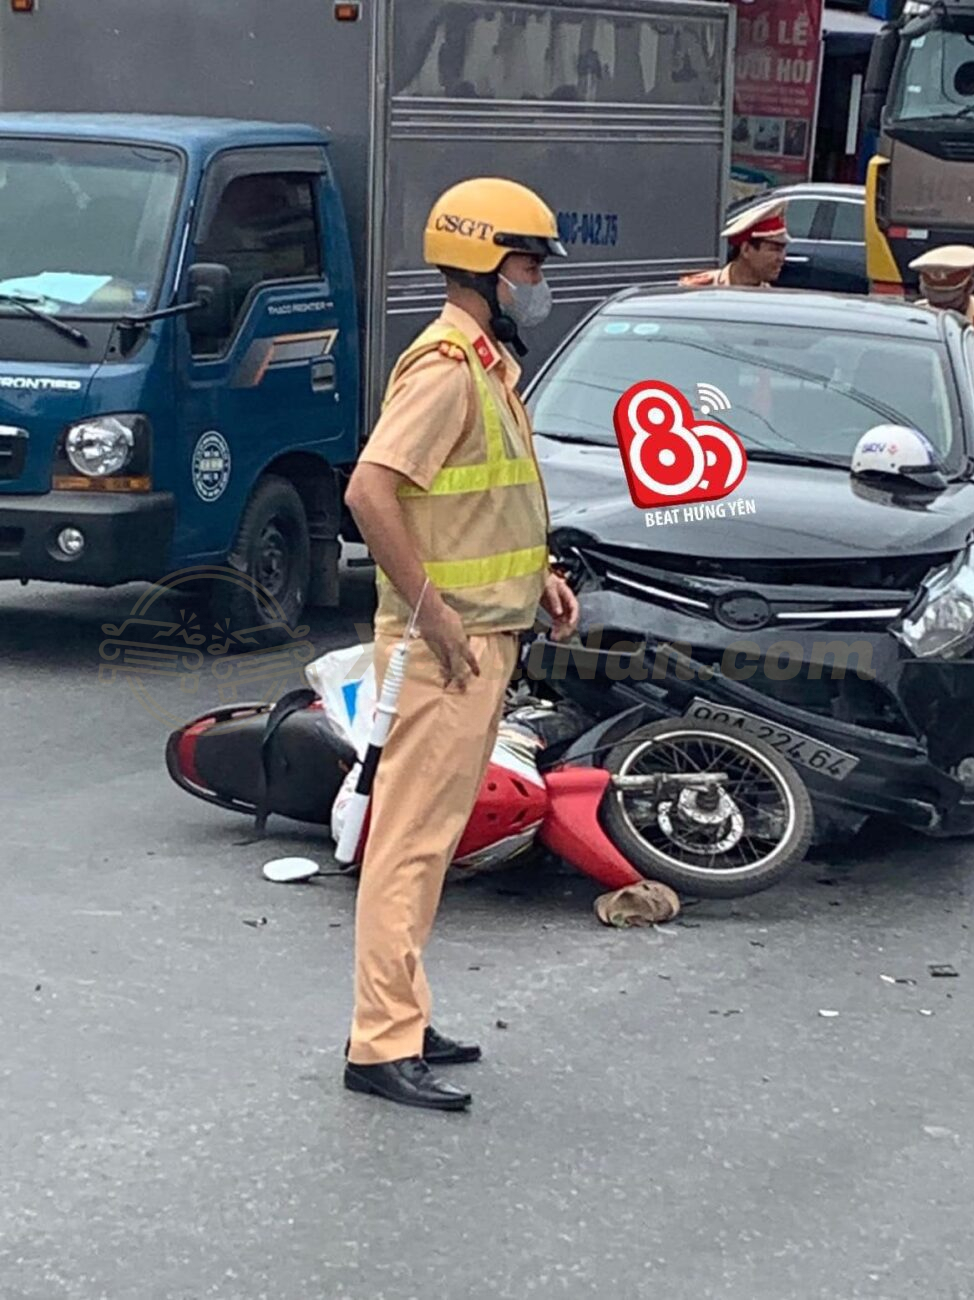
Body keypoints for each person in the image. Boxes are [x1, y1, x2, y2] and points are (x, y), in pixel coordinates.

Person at [341, 177, 580, 1113]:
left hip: (485, 638)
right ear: (484, 267)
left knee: (431, 841)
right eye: (527, 264)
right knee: (406, 845)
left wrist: (539, 578)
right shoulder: (446, 368)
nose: (538, 282)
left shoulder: (487, 365)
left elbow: (481, 507)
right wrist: (436, 613)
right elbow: (370, 493)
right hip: (447, 651)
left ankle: (399, 1010)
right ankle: (379, 1043)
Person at [679, 197, 789, 288]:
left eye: (783, 250)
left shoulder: (768, 299)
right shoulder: (700, 289)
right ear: (746, 249)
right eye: (775, 249)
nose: (782, 258)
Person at [909, 245, 974, 324]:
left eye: (951, 301)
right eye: (934, 302)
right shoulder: (916, 314)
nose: (942, 308)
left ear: (969, 287)